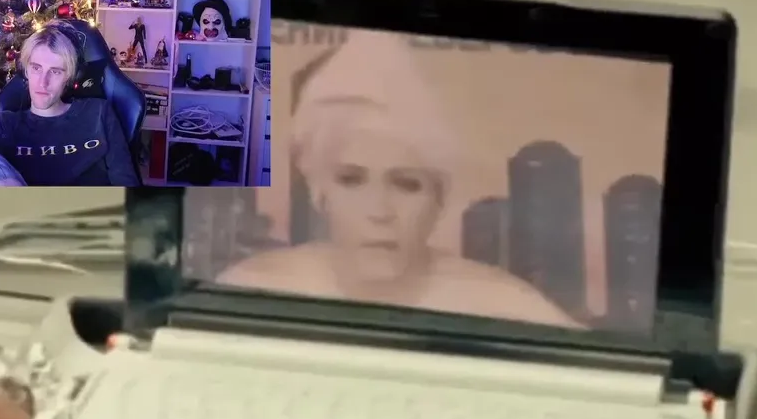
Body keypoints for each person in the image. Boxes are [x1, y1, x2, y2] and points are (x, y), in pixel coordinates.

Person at [217, 30, 581, 329]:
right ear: (320, 193)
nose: (379, 211)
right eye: (351, 180)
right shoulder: (252, 293)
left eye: (406, 184)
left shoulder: (507, 309)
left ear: (439, 200)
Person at [0, 22, 138, 187]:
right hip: (23, 212)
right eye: (36, 68)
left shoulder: (98, 113)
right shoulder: (6, 124)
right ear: (26, 71)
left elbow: (126, 183)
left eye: (55, 71)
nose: (43, 82)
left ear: (70, 77)